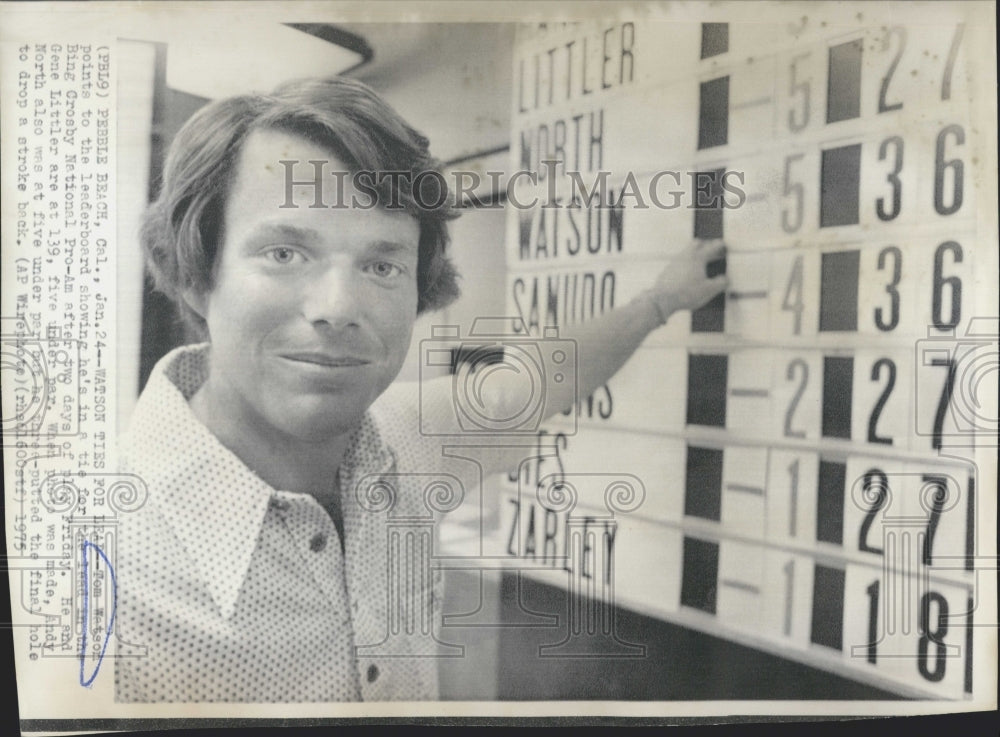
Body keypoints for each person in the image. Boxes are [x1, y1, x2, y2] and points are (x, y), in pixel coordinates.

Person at [114, 76, 727, 702]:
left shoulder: (404, 439)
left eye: (382, 266)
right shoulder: (96, 574)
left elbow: (540, 380)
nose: (338, 307)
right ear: (196, 273)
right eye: (283, 253)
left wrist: (661, 301)